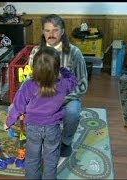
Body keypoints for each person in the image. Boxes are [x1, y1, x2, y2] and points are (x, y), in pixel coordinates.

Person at [6, 46, 78, 179]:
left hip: (33, 127)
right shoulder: (63, 84)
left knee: (32, 158)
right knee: (51, 160)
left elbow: (18, 106)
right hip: (52, 128)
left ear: (34, 68)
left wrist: (9, 121)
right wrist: (63, 70)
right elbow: (74, 80)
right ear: (56, 70)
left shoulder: (29, 85)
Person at [28, 14, 88, 157]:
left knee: (73, 111)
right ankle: (39, 137)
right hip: (42, 95)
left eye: (55, 30)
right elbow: (30, 79)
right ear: (43, 32)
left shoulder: (74, 52)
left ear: (62, 31)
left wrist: (62, 99)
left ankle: (66, 141)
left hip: (67, 97)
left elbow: (83, 84)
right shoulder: (36, 51)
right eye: (47, 30)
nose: (51, 34)